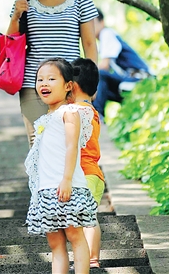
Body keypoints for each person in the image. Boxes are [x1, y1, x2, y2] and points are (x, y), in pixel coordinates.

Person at [8, 0, 98, 144]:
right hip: (34, 84)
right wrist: (15, 16)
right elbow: (11, 44)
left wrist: (91, 83)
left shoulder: (81, 0)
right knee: (38, 142)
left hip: (71, 83)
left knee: (70, 142)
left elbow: (89, 44)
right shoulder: (24, 1)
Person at [24, 58, 98, 274]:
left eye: (51, 79)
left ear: (68, 86)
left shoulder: (70, 112)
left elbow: (71, 146)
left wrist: (67, 179)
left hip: (67, 186)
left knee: (75, 236)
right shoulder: (44, 119)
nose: (44, 83)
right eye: (40, 79)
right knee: (55, 243)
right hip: (46, 189)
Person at [71, 57, 105, 269]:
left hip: (85, 174)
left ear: (72, 86)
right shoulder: (89, 109)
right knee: (87, 217)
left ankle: (91, 259)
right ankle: (88, 258)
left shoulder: (78, 111)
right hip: (91, 173)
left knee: (86, 218)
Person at [93, 9, 151, 118]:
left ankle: (97, 116)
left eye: (93, 23)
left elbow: (104, 66)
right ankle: (97, 116)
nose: (90, 28)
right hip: (129, 79)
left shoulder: (106, 33)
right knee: (98, 87)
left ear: (102, 22)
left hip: (139, 78)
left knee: (97, 76)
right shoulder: (105, 39)